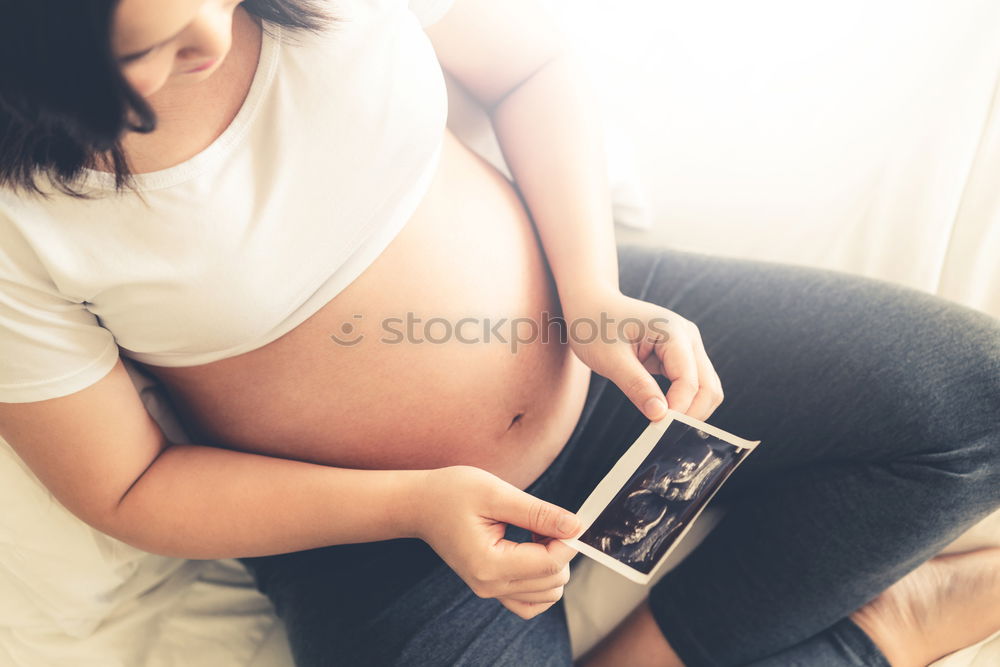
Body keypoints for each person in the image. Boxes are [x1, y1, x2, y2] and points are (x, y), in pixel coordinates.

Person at [0, 1, 998, 665]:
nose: (214, 36)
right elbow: (126, 487)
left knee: (972, 403)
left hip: (599, 351)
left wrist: (593, 290)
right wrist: (418, 505)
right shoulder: (18, 220)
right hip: (377, 535)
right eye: (157, 48)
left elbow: (529, 68)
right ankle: (879, 636)